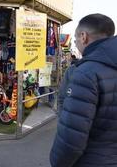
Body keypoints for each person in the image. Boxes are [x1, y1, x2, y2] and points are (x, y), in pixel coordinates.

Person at [50, 13, 117, 167]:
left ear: (83, 36)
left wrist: (57, 162)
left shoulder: (86, 72)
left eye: (75, 38)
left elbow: (72, 139)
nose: (76, 42)